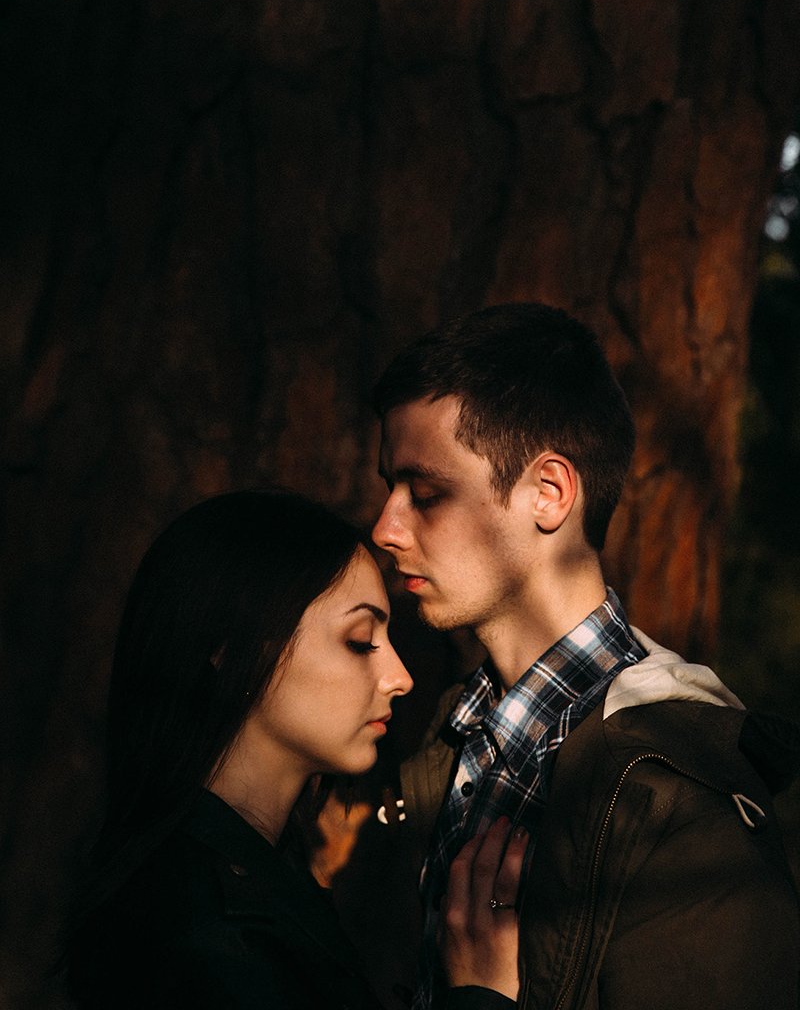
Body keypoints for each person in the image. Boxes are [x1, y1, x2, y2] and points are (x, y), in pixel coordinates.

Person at [371, 303, 800, 1010]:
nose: (386, 528)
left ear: (549, 494)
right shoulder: (445, 735)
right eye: (389, 489)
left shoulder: (681, 802)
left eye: (425, 494)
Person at [67, 489, 527, 1010]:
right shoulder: (198, 930)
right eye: (359, 640)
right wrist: (480, 997)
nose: (399, 678)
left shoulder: (249, 881)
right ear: (231, 648)